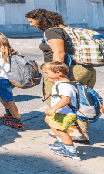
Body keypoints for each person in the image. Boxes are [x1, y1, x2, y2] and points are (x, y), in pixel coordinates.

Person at [26, 8, 96, 143]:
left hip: (71, 70)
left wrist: (56, 75)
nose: (31, 24)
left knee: (57, 99)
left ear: (40, 19)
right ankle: (82, 132)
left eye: (31, 21)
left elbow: (59, 53)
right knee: (81, 100)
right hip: (86, 70)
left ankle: (69, 132)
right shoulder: (65, 29)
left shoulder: (52, 31)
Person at [42, 61, 81, 160]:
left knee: (62, 130)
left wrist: (53, 108)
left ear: (58, 73)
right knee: (49, 120)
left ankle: (71, 151)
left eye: (47, 73)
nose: (46, 75)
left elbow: (66, 99)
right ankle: (62, 142)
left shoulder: (63, 85)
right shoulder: (62, 83)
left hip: (66, 113)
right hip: (62, 112)